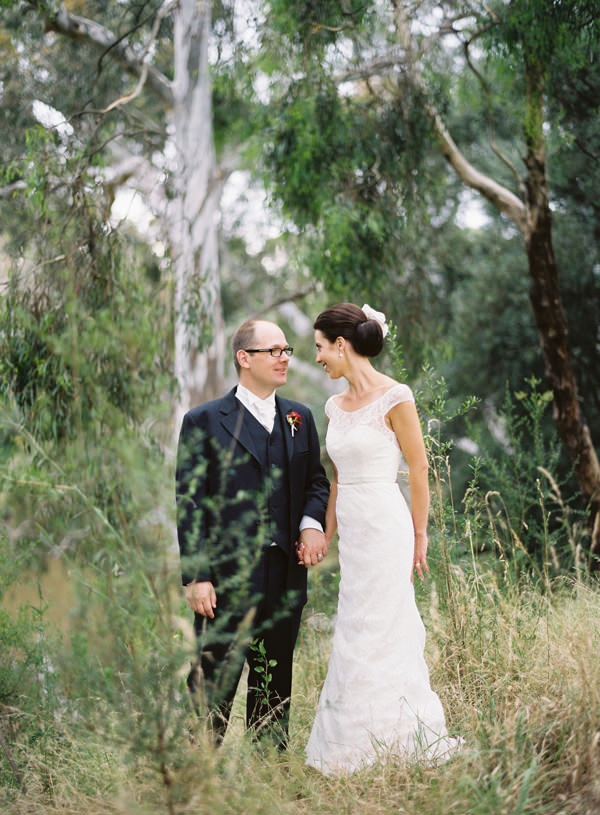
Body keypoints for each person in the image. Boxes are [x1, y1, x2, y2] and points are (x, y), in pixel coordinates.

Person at [304, 303, 461, 774]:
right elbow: (334, 479)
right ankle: (353, 742)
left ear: (341, 344)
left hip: (386, 527)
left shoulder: (397, 396)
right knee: (353, 627)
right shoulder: (333, 405)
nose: (316, 359)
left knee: (384, 626)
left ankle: (399, 737)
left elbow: (418, 467)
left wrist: (419, 534)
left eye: (319, 348)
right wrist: (324, 534)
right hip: (352, 532)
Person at [176, 319, 329, 748]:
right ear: (245, 359)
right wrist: (196, 576)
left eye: (287, 350)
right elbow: (189, 503)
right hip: (223, 582)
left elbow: (317, 482)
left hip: (284, 579)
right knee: (211, 688)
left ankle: (269, 783)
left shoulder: (300, 417)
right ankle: (194, 778)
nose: (284, 358)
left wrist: (311, 525)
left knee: (274, 688)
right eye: (273, 351)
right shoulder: (203, 421)